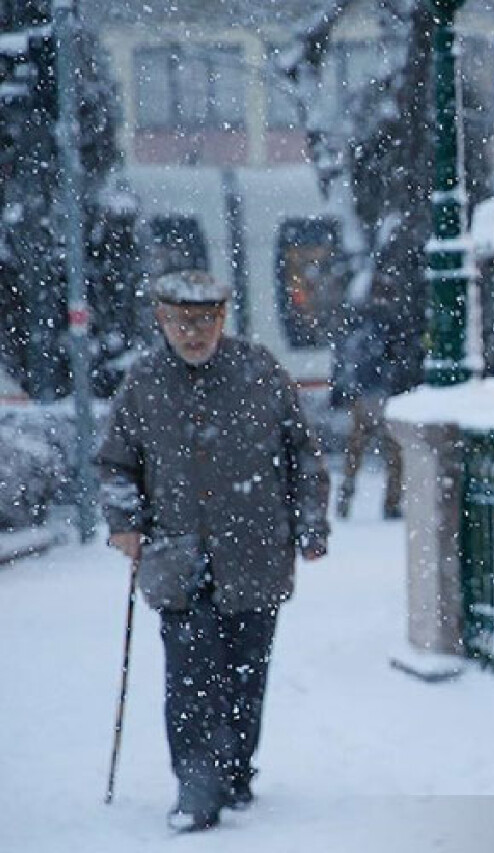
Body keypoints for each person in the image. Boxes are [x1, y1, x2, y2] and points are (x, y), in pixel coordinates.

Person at [96, 269, 330, 832]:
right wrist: (125, 521)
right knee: (191, 674)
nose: (192, 333)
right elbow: (114, 463)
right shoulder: (144, 381)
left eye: (204, 320)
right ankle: (197, 786)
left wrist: (311, 525)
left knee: (247, 671)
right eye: (180, 321)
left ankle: (236, 770)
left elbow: (303, 453)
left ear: (222, 318)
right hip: (176, 557)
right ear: (161, 320)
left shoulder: (260, 372)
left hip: (255, 551)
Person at [331, 283, 410, 520]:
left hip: (362, 393)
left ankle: (345, 498)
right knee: (393, 453)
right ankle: (391, 502)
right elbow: (396, 358)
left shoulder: (357, 320)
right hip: (383, 394)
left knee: (355, 451)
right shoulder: (391, 322)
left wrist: (344, 390)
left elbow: (345, 356)